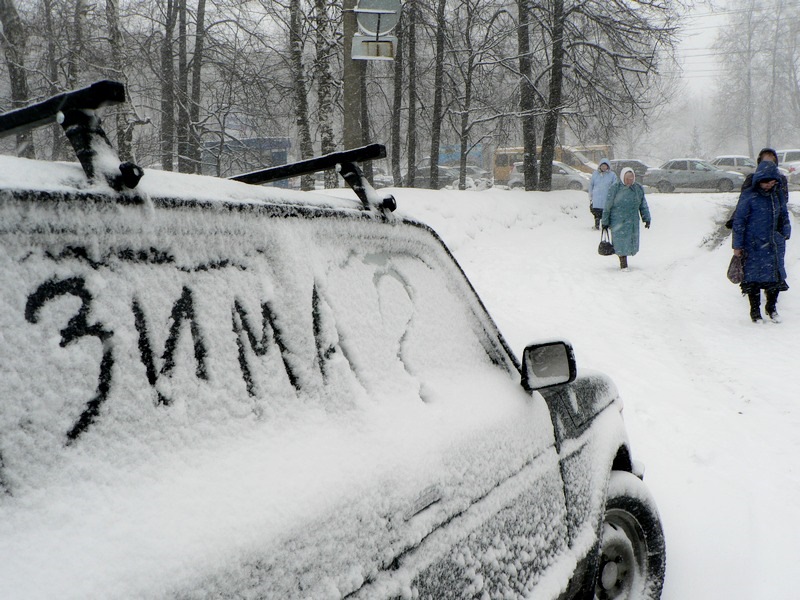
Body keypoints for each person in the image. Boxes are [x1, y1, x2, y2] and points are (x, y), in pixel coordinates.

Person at [732, 159, 791, 322]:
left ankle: (771, 308)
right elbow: (739, 221)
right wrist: (737, 246)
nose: (768, 185)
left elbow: (784, 215)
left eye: (772, 182)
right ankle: (755, 311)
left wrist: (785, 233)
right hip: (753, 245)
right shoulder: (749, 195)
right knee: (753, 280)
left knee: (775, 279)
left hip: (773, 244)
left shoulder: (777, 195)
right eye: (766, 182)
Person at [725, 148, 788, 229]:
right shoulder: (752, 179)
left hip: (772, 224)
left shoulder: (780, 180)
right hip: (754, 222)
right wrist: (735, 219)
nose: (767, 166)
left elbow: (783, 203)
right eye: (765, 162)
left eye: (771, 162)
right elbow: (743, 201)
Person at [601, 167, 651, 270]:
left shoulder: (637, 189)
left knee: (630, 241)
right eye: (627, 179)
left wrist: (646, 218)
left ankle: (625, 259)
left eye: (632, 179)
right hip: (618, 221)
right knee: (620, 242)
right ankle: (623, 263)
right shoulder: (615, 188)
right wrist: (605, 221)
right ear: (622, 177)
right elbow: (607, 206)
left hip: (632, 221)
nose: (630, 181)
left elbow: (643, 205)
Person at [588, 159, 617, 229]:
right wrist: (591, 195)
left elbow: (615, 185)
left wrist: (613, 195)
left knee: (607, 212)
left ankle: (607, 225)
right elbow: (591, 185)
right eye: (602, 166)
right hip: (597, 197)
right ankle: (597, 225)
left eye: (605, 166)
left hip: (606, 197)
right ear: (600, 166)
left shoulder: (612, 175)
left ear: (608, 167)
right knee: (596, 212)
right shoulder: (595, 174)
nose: (604, 167)